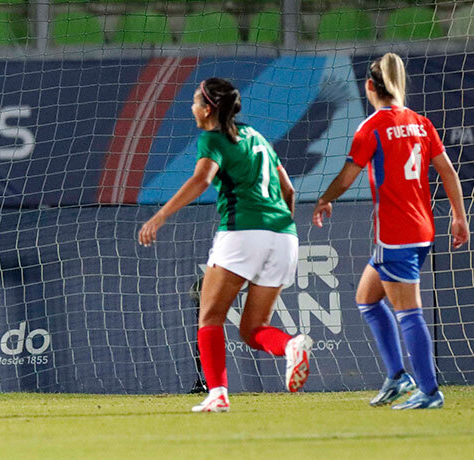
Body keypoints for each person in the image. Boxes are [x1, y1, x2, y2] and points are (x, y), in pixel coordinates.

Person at [139, 78, 312, 413]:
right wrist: (278, 229)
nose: (191, 108)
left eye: (194, 102)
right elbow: (289, 190)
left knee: (210, 317)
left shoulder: (213, 138)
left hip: (242, 233)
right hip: (284, 236)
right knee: (253, 329)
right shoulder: (257, 136)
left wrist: (159, 216)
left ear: (208, 109)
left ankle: (218, 393)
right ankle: (291, 346)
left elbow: (202, 179)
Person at [313, 53, 469, 410]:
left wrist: (325, 199)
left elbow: (348, 174)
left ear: (370, 86)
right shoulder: (420, 122)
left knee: (408, 312)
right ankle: (398, 377)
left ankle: (429, 391)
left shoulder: (371, 128)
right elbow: (447, 171)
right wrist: (459, 217)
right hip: (423, 229)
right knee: (367, 298)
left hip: (396, 234)